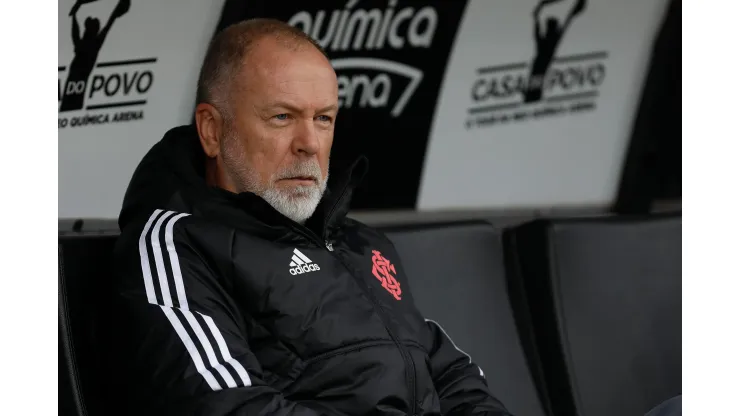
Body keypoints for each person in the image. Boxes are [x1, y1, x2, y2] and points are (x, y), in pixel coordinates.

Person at [106, 18, 512, 416]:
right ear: (212, 130)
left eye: (323, 119)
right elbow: (227, 404)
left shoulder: (359, 242)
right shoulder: (178, 245)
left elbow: (453, 376)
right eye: (282, 117)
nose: (310, 144)